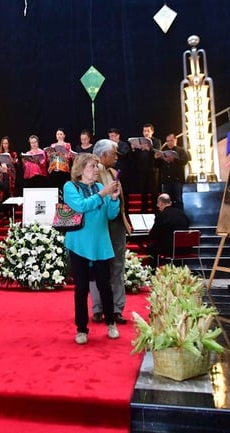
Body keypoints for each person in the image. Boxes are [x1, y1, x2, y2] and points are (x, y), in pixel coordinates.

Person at [63, 152, 122, 345]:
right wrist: (103, 194)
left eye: (97, 166)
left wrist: (113, 199)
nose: (96, 170)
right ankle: (81, 329)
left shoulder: (98, 187)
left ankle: (111, 323)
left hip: (100, 244)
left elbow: (111, 215)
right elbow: (80, 206)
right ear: (80, 170)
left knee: (105, 286)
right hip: (79, 244)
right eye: (92, 167)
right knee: (81, 288)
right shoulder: (70, 187)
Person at [89, 139, 134, 325]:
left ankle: (116, 309)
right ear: (103, 155)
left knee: (117, 267)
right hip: (99, 224)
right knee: (97, 267)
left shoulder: (114, 172)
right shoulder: (90, 172)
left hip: (116, 224)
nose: (117, 157)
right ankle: (98, 308)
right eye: (114, 153)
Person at [146, 194, 190, 267]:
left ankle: (153, 272)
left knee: (151, 247)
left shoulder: (161, 215)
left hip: (170, 249)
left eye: (158, 204)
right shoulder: (182, 214)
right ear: (170, 203)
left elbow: (153, 235)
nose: (158, 206)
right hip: (186, 248)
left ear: (160, 203)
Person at [130, 123, 161, 213]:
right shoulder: (140, 141)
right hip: (141, 170)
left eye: (148, 131)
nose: (146, 133)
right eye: (144, 131)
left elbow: (157, 153)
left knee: (153, 192)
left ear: (152, 132)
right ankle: (143, 210)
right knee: (143, 191)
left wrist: (149, 149)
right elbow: (135, 158)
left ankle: (155, 210)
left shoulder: (156, 141)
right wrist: (133, 149)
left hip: (152, 169)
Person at [156, 133, 190, 210]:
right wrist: (156, 158)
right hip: (166, 181)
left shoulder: (180, 150)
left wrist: (174, 159)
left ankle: (179, 218)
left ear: (175, 140)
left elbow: (184, 161)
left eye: (171, 140)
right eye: (167, 141)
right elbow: (157, 165)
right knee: (166, 200)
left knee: (178, 200)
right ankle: (168, 218)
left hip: (177, 180)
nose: (169, 143)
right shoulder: (163, 151)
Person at [107, 128, 133, 201]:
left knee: (123, 191)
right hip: (112, 171)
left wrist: (114, 148)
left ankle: (125, 210)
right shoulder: (108, 146)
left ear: (118, 136)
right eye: (110, 136)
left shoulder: (124, 145)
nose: (111, 138)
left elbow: (122, 154)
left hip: (122, 172)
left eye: (113, 136)